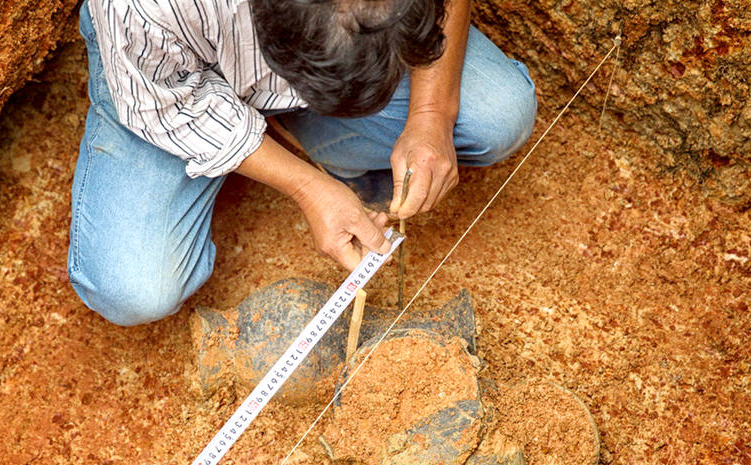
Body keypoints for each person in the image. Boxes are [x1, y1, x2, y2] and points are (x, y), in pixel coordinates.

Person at [69, 0, 537, 326]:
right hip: (166, 79)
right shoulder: (143, 8)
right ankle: (280, 136)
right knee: (135, 289)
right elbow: (167, 105)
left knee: (498, 116)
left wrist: (431, 116)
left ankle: (310, 133)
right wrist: (307, 187)